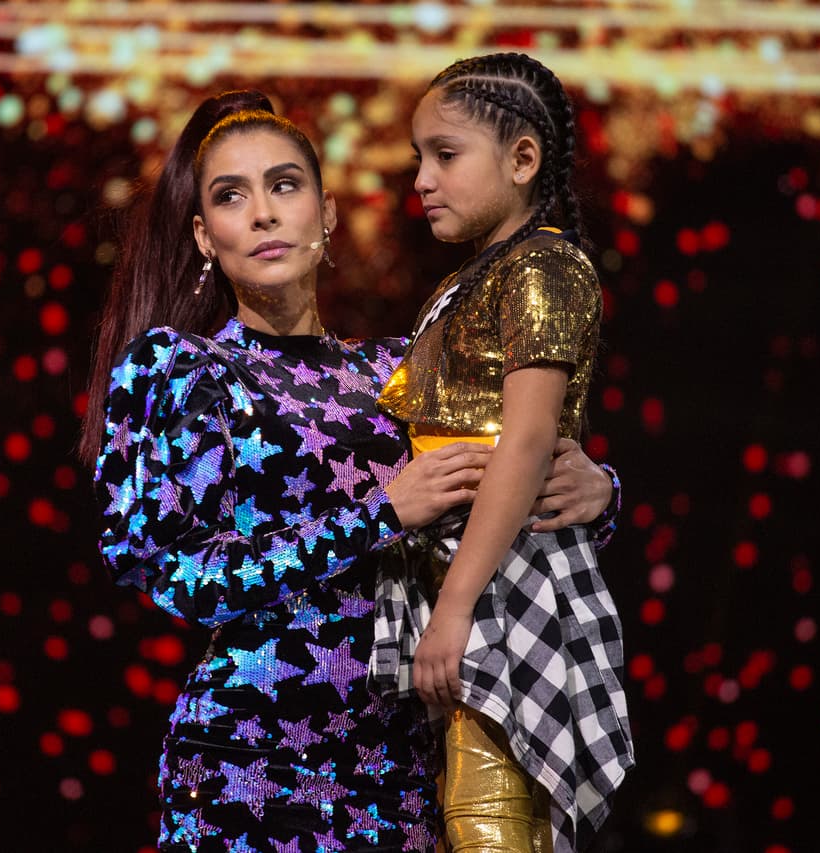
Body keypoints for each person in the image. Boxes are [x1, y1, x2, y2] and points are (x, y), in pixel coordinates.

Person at [83, 90, 619, 851]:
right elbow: (173, 573)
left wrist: (596, 492)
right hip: (251, 771)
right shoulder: (181, 369)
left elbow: (495, 507)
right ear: (206, 237)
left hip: (396, 773)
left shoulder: (403, 369)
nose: (264, 214)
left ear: (328, 214)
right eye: (232, 197)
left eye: (285, 185)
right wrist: (377, 515)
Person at [370, 53, 633, 853]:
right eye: (419, 155)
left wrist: (453, 606)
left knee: (489, 817)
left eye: (445, 155)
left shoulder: (543, 265)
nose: (421, 177)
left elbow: (525, 437)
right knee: (470, 810)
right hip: (466, 569)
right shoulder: (473, 280)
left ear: (523, 159)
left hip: (500, 578)